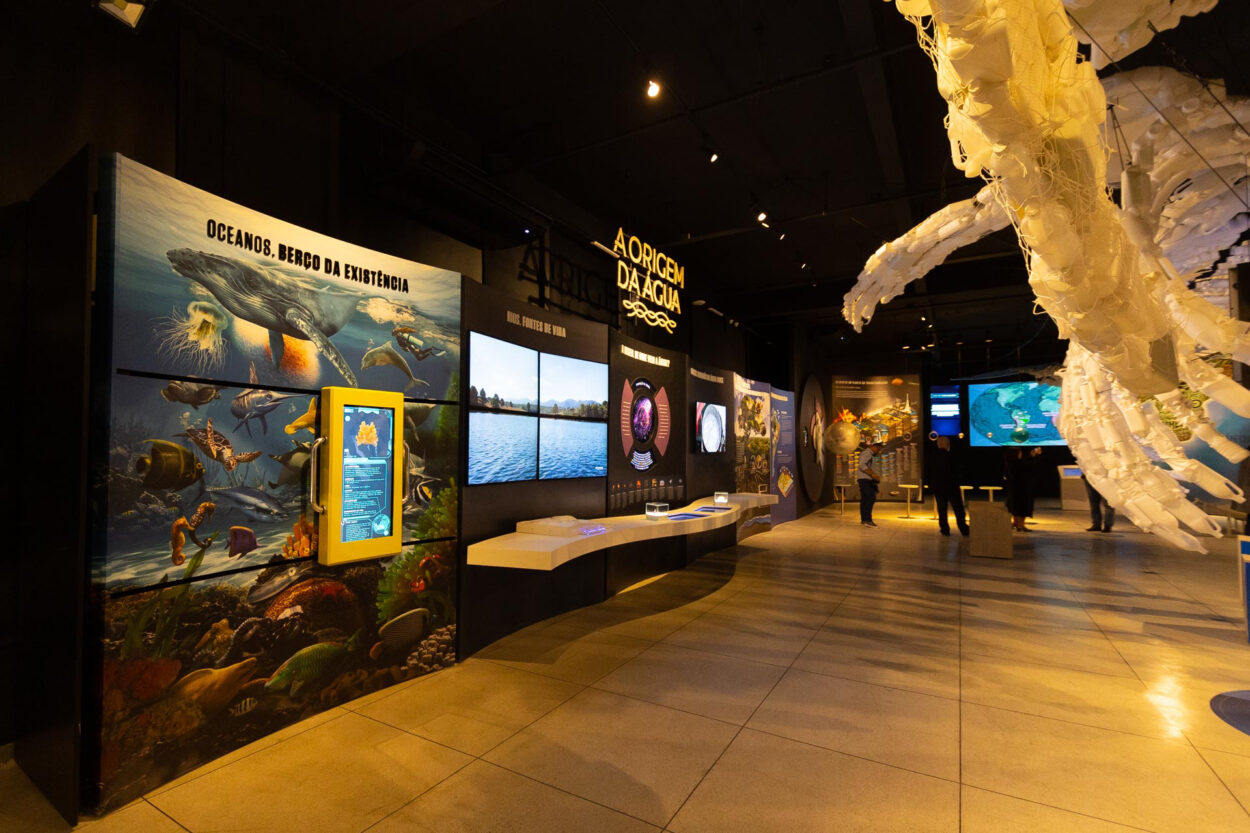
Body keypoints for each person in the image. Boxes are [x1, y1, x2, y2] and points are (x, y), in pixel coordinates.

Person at [930, 436, 969, 536]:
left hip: (939, 488)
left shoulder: (933, 458)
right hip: (952, 487)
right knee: (958, 510)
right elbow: (957, 471)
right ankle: (963, 528)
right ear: (947, 444)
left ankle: (944, 529)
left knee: (942, 510)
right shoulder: (952, 456)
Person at [1003, 447, 1040, 532]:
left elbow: (1025, 462)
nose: (1021, 454)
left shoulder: (1009, 463)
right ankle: (1021, 525)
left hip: (1013, 488)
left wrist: (1031, 456)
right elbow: (1031, 465)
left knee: (1014, 505)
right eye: (1019, 453)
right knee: (1023, 506)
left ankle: (1015, 522)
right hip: (1023, 488)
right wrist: (1036, 456)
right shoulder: (1019, 464)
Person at [857, 440, 883, 527]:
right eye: (878, 449)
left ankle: (864, 519)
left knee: (865, 499)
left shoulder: (868, 454)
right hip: (866, 480)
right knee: (870, 498)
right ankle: (868, 520)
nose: (878, 452)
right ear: (874, 447)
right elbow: (862, 465)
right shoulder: (867, 453)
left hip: (865, 479)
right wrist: (873, 475)